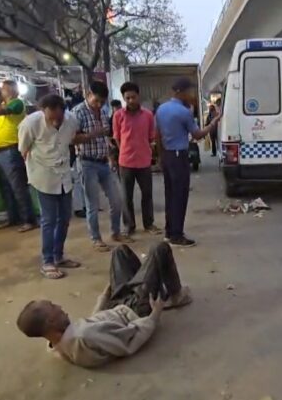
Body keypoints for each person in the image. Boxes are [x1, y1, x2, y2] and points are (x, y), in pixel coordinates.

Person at [15, 242, 192, 368]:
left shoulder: (58, 343)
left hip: (115, 306)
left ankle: (148, 282)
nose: (60, 307)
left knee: (120, 252)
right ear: (51, 322)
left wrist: (104, 296)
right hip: (135, 310)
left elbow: (93, 322)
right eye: (54, 308)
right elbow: (129, 342)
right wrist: (154, 315)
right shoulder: (83, 337)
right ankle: (175, 295)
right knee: (159, 249)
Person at [19, 94, 89, 279]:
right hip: (43, 176)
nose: (51, 119)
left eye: (55, 115)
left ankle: (59, 256)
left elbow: (72, 140)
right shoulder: (31, 123)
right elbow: (23, 149)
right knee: (49, 220)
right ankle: (47, 261)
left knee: (65, 218)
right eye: (47, 114)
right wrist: (32, 171)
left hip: (64, 175)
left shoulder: (71, 120)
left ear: (61, 110)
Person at [155, 78, 220, 248]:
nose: (191, 95)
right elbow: (197, 135)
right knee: (180, 195)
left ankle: (170, 232)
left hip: (167, 155)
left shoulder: (161, 109)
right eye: (189, 92)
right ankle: (177, 235)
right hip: (179, 155)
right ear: (181, 92)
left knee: (170, 195)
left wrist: (161, 157)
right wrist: (213, 123)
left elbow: (157, 135)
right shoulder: (183, 112)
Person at [72, 82, 131, 252]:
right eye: (96, 101)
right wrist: (92, 134)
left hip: (103, 162)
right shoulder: (77, 112)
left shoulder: (103, 112)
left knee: (116, 200)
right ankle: (96, 238)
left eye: (102, 102)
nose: (99, 105)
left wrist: (110, 157)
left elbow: (105, 137)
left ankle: (116, 232)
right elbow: (72, 139)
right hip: (86, 161)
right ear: (88, 94)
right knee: (93, 204)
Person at [0, 81, 37, 232]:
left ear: (10, 90)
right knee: (7, 187)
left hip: (11, 151)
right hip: (1, 151)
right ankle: (14, 218)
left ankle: (28, 220)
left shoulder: (17, 104)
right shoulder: (4, 105)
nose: (1, 91)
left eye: (3, 88)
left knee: (18, 186)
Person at [114, 82, 162, 237]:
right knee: (126, 196)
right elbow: (117, 137)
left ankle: (149, 224)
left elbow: (151, 137)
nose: (130, 101)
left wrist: (149, 152)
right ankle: (129, 226)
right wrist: (125, 150)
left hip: (143, 162)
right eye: (127, 98)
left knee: (147, 194)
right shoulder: (118, 116)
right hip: (125, 162)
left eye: (133, 97)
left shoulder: (148, 115)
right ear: (123, 98)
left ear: (138, 96)